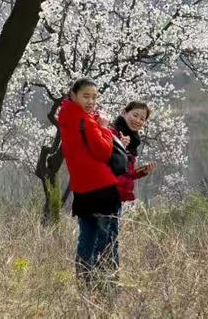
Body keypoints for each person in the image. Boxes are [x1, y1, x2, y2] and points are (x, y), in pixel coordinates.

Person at [58, 78, 120, 286]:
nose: (91, 101)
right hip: (102, 190)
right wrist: (105, 129)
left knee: (86, 240)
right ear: (73, 94)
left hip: (82, 191)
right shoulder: (85, 120)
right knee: (107, 242)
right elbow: (103, 152)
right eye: (86, 96)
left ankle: (85, 285)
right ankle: (107, 287)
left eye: (94, 97)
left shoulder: (65, 116)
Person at [109, 101, 156, 266]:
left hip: (118, 196)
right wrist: (120, 146)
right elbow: (106, 162)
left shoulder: (133, 141)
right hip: (106, 193)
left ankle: (109, 281)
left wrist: (142, 172)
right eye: (135, 115)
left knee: (112, 239)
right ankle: (104, 280)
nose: (138, 120)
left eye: (142, 118)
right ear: (124, 112)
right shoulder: (112, 132)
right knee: (107, 240)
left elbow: (125, 172)